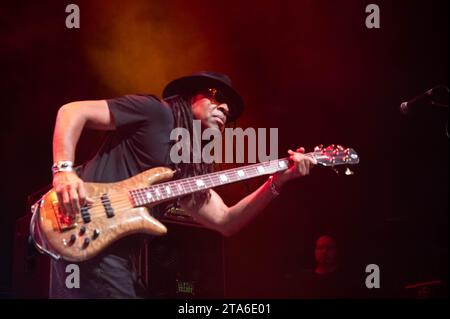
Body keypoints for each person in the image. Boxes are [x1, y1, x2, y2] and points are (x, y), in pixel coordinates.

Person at [49, 71, 316, 298]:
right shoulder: (155, 113)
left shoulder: (188, 167)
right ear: (191, 96)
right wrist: (63, 171)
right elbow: (73, 111)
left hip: (105, 254)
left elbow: (226, 220)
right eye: (217, 97)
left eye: (230, 111)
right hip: (85, 233)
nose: (224, 109)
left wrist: (277, 181)